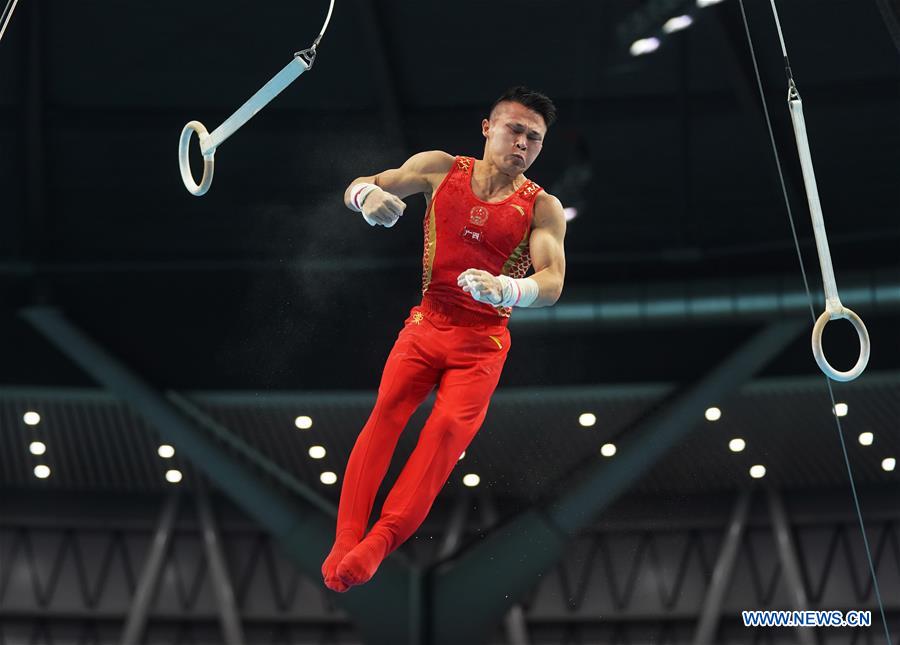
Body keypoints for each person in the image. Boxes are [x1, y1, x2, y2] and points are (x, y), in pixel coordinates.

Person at [321, 86, 567, 592]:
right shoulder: (438, 168)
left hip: (483, 343)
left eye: (534, 139)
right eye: (514, 130)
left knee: (445, 434)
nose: (522, 144)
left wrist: (509, 288)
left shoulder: (543, 208)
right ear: (487, 127)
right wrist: (367, 197)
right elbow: (359, 183)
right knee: (386, 413)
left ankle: (380, 541)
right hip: (426, 324)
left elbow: (553, 283)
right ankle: (345, 538)